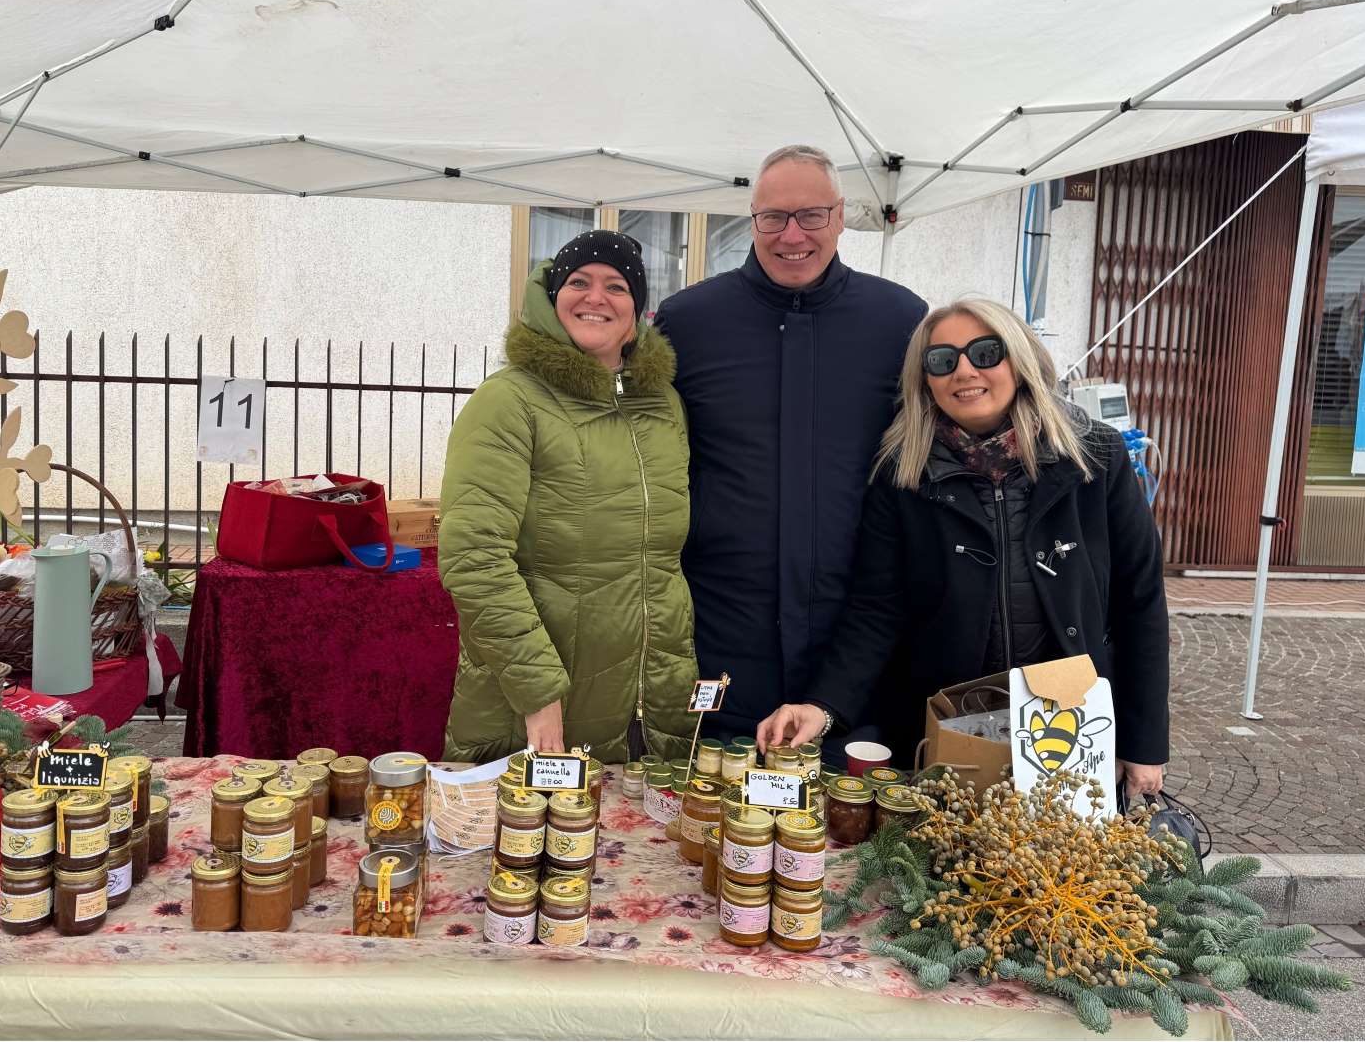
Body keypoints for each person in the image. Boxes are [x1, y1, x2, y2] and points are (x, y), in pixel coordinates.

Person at [758, 298, 1170, 797]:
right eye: (943, 360)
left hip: (1073, 727)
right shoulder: (904, 474)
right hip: (950, 735)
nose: (965, 371)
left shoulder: (1093, 457)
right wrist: (823, 707)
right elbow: (875, 611)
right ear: (926, 380)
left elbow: (1140, 603)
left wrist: (1144, 743)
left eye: (985, 352)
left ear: (1019, 359)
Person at [654, 145, 926, 752]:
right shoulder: (689, 322)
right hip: (720, 632)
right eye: (773, 217)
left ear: (840, 216)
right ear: (752, 219)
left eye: (811, 215)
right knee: (710, 794)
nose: (792, 235)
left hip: (855, 639)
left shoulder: (899, 321)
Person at [439, 230, 696, 764]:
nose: (595, 297)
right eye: (579, 282)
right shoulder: (509, 400)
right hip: (536, 705)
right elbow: (475, 557)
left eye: (616, 286)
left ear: (636, 312)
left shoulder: (663, 405)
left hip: (650, 703)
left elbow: (660, 562)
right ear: (553, 297)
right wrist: (537, 689)